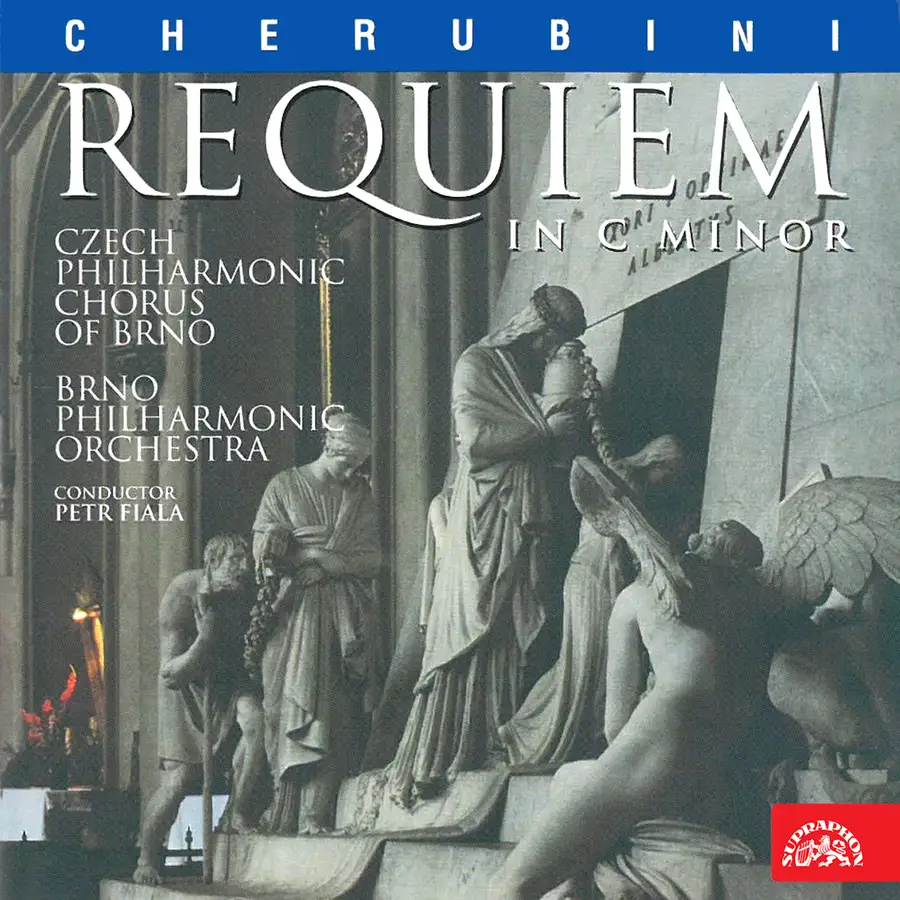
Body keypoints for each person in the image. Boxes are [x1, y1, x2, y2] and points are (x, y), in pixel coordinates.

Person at [489, 456, 776, 900]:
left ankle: (577, 879)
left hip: (654, 755)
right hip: (717, 777)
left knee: (510, 885)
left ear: (699, 540)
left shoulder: (643, 594)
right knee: (568, 781)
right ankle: (577, 881)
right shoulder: (757, 610)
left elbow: (615, 726)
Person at [386, 284, 587, 808]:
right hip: (482, 516)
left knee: (509, 632)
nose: (550, 352)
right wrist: (545, 428)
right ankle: (443, 755)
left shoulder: (525, 374)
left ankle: (490, 740)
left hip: (519, 513)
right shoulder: (476, 363)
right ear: (534, 326)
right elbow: (475, 444)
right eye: (551, 340)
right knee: (473, 628)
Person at [500, 435, 686, 766]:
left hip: (586, 573)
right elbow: (620, 543)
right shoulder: (627, 481)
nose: (666, 483)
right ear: (658, 463)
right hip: (597, 576)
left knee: (581, 663)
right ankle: (527, 730)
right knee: (588, 662)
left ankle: (535, 729)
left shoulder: (618, 475)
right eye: (669, 475)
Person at [252, 411, 382, 834]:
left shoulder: (359, 495)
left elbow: (373, 559)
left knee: (336, 715)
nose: (351, 472)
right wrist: (287, 549)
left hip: (344, 619)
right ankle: (283, 812)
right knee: (281, 711)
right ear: (329, 446)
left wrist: (326, 561)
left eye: (358, 465)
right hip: (293, 612)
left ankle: (316, 816)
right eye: (347, 462)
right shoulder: (285, 485)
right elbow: (262, 551)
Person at [133, 534, 264, 886]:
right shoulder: (182, 593)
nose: (244, 567)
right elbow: (170, 673)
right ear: (212, 563)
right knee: (180, 781)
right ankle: (146, 856)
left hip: (227, 683)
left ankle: (236, 813)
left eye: (246, 559)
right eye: (235, 560)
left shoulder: (245, 593)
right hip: (184, 689)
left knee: (256, 722)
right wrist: (205, 636)